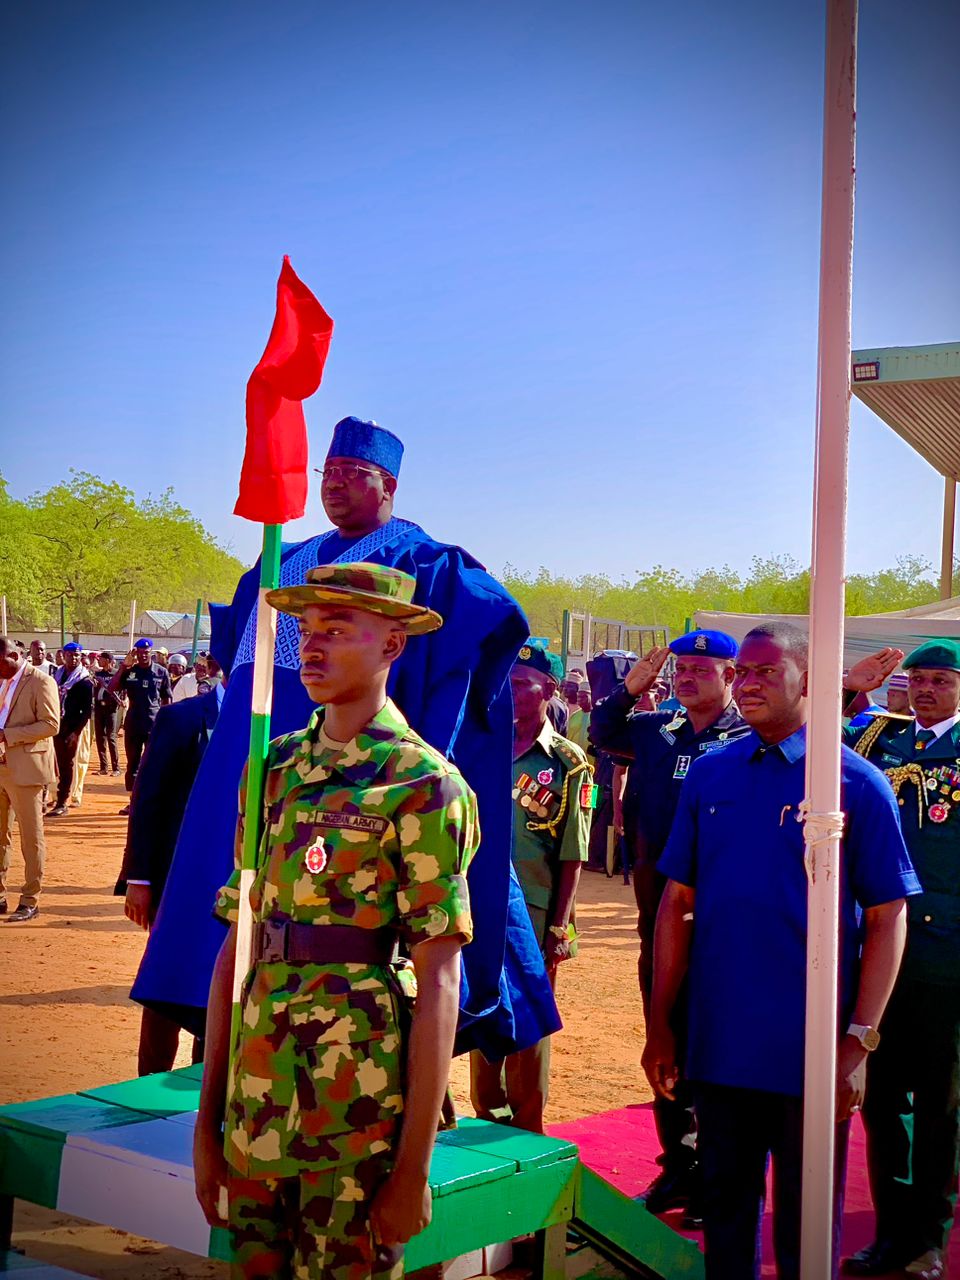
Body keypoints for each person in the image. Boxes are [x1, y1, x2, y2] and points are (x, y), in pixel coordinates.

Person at [135, 417, 559, 1061]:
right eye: (326, 474)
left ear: (387, 483)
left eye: (350, 475)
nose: (333, 486)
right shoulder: (284, 560)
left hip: (364, 787)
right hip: (263, 768)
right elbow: (238, 658)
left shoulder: (425, 562)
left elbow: (491, 628)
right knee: (225, 927)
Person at [194, 563, 478, 1279]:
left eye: (338, 630)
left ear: (392, 645)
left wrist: (413, 1168)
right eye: (305, 631)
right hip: (257, 1096)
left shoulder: (423, 784)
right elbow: (241, 942)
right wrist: (208, 1120)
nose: (312, 649)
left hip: (358, 1109)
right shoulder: (274, 768)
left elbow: (441, 979)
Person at [643, 622, 920, 1280]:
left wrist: (857, 1042)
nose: (750, 683)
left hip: (811, 1053)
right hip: (720, 1046)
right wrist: (660, 1025)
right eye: (744, 672)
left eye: (768, 670)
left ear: (809, 679)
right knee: (727, 1216)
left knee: (804, 1232)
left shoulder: (854, 785)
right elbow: (676, 903)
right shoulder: (710, 775)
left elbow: (888, 916)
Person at [590, 629, 750, 1218]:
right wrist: (628, 692)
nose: (686, 678)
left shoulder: (748, 735)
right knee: (666, 1040)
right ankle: (677, 1167)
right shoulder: (656, 730)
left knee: (719, 1046)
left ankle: (717, 1174)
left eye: (700, 670)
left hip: (726, 921)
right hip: (659, 916)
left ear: (731, 676)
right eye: (680, 670)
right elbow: (602, 734)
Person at [840, 640, 960, 1280]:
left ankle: (928, 1237)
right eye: (917, 679)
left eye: (940, 680)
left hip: (946, 952)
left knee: (940, 1105)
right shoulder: (876, 741)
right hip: (880, 952)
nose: (925, 689)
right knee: (883, 1101)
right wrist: (848, 687)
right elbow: (811, 745)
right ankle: (889, 1232)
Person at [470, 640, 592, 1132]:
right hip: (482, 899)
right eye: (506, 684)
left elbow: (573, 854)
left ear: (550, 689)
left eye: (521, 684)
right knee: (482, 1000)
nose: (511, 692)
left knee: (530, 1014)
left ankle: (526, 1120)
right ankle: (487, 1110)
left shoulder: (569, 763)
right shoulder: (482, 748)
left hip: (539, 909)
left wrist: (560, 926)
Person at [115, 677, 223, 1075]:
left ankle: (204, 1082)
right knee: (168, 981)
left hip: (239, 887)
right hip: (176, 883)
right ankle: (148, 1084)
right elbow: (149, 799)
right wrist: (139, 879)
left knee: (222, 991)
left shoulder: (279, 722)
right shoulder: (183, 717)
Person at [0, 637, 59, 923]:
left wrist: (8, 735)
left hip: (27, 771)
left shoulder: (41, 681)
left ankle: (29, 900)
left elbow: (51, 724)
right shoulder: (1, 680)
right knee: (0, 838)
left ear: (13, 655)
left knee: (30, 838)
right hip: (1, 768)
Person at [109, 637, 173, 812]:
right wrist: (123, 667)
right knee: (133, 765)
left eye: (146, 652)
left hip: (154, 724)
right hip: (134, 725)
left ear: (150, 652)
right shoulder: (130, 672)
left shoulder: (161, 672)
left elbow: (167, 698)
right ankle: (134, 801)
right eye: (140, 652)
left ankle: (153, 802)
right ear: (135, 654)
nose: (143, 655)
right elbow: (112, 688)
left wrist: (166, 723)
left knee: (154, 762)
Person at [48, 642, 94, 818]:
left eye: (77, 655)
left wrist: (76, 732)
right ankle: (49, 797)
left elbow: (87, 711)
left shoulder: (84, 680)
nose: (73, 658)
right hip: (52, 725)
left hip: (71, 728)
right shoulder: (56, 675)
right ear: (63, 655)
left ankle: (62, 801)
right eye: (70, 654)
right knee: (50, 762)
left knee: (67, 764)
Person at [92, 651, 122, 775]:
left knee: (111, 738)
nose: (99, 661)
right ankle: (104, 767)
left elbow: (121, 690)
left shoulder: (116, 674)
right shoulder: (97, 674)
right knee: (100, 738)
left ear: (108, 661)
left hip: (111, 709)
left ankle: (116, 768)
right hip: (99, 708)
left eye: (102, 659)